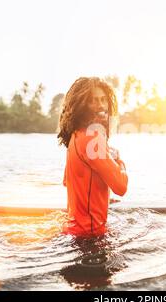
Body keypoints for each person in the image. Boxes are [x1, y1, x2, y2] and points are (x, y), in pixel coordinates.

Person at [57, 77, 128, 236]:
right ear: (81, 106)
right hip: (91, 238)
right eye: (93, 101)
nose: (101, 105)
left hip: (73, 231)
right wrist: (118, 160)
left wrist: (101, 199)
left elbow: (68, 182)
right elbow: (121, 187)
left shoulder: (76, 136)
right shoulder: (93, 140)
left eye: (103, 100)